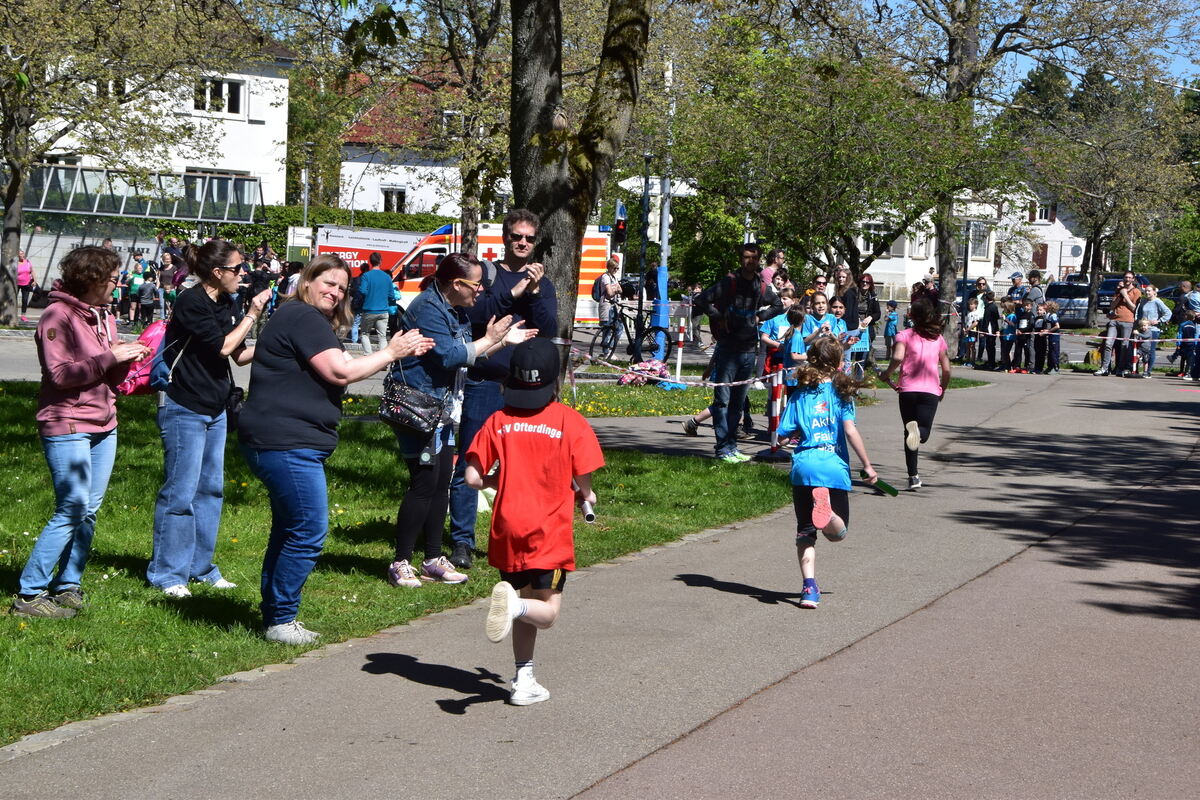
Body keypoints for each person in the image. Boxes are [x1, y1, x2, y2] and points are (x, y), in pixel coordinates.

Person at [239, 255, 434, 644]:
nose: (335, 292)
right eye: (328, 283)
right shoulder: (303, 317)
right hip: (286, 441)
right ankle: (281, 620)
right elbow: (340, 373)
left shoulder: (303, 319)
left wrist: (389, 355)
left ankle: (276, 614)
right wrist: (391, 353)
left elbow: (344, 361)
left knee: (289, 529)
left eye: (342, 288)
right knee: (309, 530)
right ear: (307, 281)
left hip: (283, 440)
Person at [12, 247, 151, 617]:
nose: (116, 284)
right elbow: (60, 376)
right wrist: (111, 357)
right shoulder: (58, 316)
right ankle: (29, 594)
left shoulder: (102, 315)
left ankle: (67, 584)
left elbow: (105, 372)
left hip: (104, 422)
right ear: (91, 280)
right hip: (67, 422)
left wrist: (132, 359)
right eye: (111, 278)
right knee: (72, 506)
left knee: (89, 509)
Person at [468, 337, 604, 706]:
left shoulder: (498, 420)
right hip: (548, 531)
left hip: (507, 528)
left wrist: (503, 478)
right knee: (544, 611)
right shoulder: (570, 421)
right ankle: (514, 608)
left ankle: (523, 678)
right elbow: (586, 482)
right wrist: (586, 495)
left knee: (523, 597)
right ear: (555, 383)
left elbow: (472, 478)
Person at [388, 253, 537, 588]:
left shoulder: (454, 310)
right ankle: (401, 561)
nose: (481, 290)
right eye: (476, 284)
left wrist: (500, 341)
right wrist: (490, 339)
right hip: (419, 408)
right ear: (456, 284)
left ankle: (432, 559)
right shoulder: (428, 309)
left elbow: (467, 357)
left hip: (442, 408)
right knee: (424, 484)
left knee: (442, 482)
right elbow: (449, 356)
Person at [146, 240, 271, 599]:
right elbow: (222, 346)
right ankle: (167, 574)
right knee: (180, 493)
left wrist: (277, 338)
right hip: (184, 405)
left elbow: (240, 356)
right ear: (218, 273)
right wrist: (253, 314)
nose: (243, 274)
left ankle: (200, 567)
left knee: (210, 492)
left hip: (215, 408)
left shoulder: (228, 302)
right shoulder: (192, 301)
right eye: (237, 268)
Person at [447, 209, 557, 569]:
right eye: (516, 237)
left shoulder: (542, 281)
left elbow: (549, 327)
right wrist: (516, 290)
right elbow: (477, 317)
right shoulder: (489, 276)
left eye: (528, 238)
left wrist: (536, 292)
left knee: (527, 466)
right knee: (472, 461)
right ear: (505, 238)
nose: (522, 243)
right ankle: (462, 541)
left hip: (530, 389)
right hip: (486, 382)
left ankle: (522, 536)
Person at [776, 337, 878, 609]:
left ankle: (809, 588)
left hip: (804, 466)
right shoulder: (841, 394)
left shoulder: (798, 395)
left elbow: (781, 439)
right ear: (838, 364)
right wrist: (867, 465)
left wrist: (796, 433)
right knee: (837, 533)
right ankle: (829, 513)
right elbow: (849, 430)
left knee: (805, 533)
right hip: (832, 464)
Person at [695, 242, 784, 463]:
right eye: (746, 257)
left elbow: (778, 305)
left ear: (758, 260)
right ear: (741, 258)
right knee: (722, 401)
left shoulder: (760, 285)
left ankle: (732, 446)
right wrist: (719, 317)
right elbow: (702, 299)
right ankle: (722, 448)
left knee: (738, 402)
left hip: (748, 349)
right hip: (727, 348)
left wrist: (759, 317)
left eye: (754, 258)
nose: (750, 261)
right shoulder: (730, 281)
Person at [879, 297, 952, 491]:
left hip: (907, 390)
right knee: (923, 432)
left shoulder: (903, 335)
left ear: (911, 316)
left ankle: (913, 476)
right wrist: (942, 389)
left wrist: (887, 373)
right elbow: (946, 370)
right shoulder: (938, 339)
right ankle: (918, 435)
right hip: (929, 391)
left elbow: (897, 357)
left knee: (909, 433)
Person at [1096, 270, 1141, 377]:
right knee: (1108, 344)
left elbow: (1134, 307)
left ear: (1133, 279)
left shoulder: (1136, 292)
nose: (1127, 279)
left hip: (1128, 321)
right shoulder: (1119, 290)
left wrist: (1125, 295)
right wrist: (1120, 294)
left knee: (1124, 345)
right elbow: (1112, 306)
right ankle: (1105, 368)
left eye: (1130, 277)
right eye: (1126, 277)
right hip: (1115, 320)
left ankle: (1120, 369)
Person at [358, 252, 397, 354]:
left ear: (370, 262)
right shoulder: (387, 277)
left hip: (369, 309)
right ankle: (382, 361)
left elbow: (362, 290)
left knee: (365, 334)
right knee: (382, 336)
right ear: (380, 261)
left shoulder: (366, 276)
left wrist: (370, 294)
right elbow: (392, 296)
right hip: (384, 311)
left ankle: (369, 356)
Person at [1135, 284, 1170, 376]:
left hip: (1153, 330)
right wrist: (1138, 322)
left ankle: (1148, 371)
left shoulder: (1157, 301)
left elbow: (1168, 313)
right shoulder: (1143, 301)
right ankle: (1136, 370)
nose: (1147, 292)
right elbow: (1139, 313)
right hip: (1142, 329)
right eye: (1146, 291)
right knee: (1139, 349)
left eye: (1149, 291)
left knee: (1150, 350)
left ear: (1154, 292)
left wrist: (1158, 321)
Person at [593, 257, 622, 353]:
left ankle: (610, 348)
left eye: (617, 268)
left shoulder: (614, 278)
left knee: (619, 328)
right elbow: (609, 294)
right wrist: (615, 290)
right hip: (606, 305)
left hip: (614, 306)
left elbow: (620, 290)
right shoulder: (605, 277)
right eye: (614, 268)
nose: (616, 270)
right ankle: (606, 352)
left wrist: (615, 290)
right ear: (609, 267)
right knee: (607, 329)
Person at [857, 273, 881, 364]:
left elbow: (878, 313)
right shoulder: (853, 295)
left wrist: (870, 317)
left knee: (863, 356)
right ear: (859, 282)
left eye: (868, 282)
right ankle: (847, 375)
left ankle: (859, 376)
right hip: (854, 326)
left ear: (871, 284)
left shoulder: (873, 297)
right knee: (849, 354)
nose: (865, 284)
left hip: (866, 328)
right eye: (863, 281)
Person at [15, 249, 37, 321]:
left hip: (26, 284)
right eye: (20, 254)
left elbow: (32, 271)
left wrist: (35, 280)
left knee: (25, 300)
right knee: (14, 300)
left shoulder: (27, 262)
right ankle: (12, 314)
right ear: (17, 255)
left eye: (22, 253)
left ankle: (23, 315)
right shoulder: (15, 263)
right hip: (16, 284)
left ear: (24, 254)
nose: (21, 255)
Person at [1043, 301, 1062, 374]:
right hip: (1050, 336)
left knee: (1054, 352)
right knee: (1050, 352)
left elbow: (1057, 326)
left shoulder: (1053, 315)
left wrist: (1048, 331)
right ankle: (1050, 367)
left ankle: (1055, 367)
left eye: (1046, 305)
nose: (1044, 306)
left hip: (1054, 337)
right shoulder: (1048, 315)